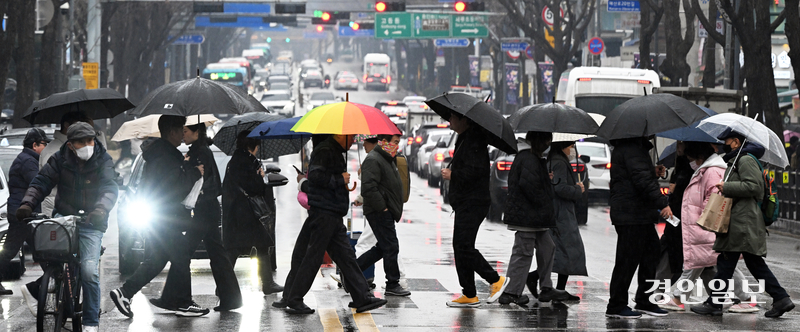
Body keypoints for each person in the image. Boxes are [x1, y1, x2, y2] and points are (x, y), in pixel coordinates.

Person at [16, 122, 118, 332]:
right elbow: (41, 182)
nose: (88, 145)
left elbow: (109, 187)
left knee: (89, 270)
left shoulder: (103, 158)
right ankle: (47, 286)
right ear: (71, 144)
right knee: (54, 256)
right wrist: (27, 204)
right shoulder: (59, 158)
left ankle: (91, 323)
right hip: (65, 216)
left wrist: (100, 210)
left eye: (90, 140)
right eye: (81, 142)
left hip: (93, 220)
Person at [110, 115, 210, 318]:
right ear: (171, 131)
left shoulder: (161, 154)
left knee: (157, 259)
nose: (183, 133)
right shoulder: (166, 157)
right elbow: (175, 186)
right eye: (180, 129)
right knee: (181, 257)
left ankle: (124, 293)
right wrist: (194, 173)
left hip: (159, 215)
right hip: (166, 216)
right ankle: (182, 302)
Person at [273, 134, 386, 314]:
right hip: (325, 212)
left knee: (346, 257)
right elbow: (317, 177)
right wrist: (340, 180)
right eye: (352, 137)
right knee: (313, 257)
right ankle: (294, 298)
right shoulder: (325, 150)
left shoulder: (334, 150)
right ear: (341, 135)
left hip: (332, 212)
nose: (354, 140)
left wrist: (342, 182)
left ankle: (361, 297)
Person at [690, 132, 795, 318]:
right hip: (740, 219)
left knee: (728, 260)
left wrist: (727, 187)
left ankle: (715, 303)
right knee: (744, 262)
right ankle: (780, 298)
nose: (723, 145)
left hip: (742, 220)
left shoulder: (745, 160)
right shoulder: (737, 159)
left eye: (727, 141)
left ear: (736, 142)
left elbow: (754, 187)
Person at [660, 141, 756, 313]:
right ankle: (681, 298)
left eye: (691, 158)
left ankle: (746, 298)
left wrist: (702, 220)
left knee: (701, 262)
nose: (690, 162)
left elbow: (714, 198)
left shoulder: (711, 171)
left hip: (705, 225)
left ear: (700, 157)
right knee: (706, 262)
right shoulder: (707, 169)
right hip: (702, 225)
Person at [158, 123, 243, 311]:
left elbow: (199, 179)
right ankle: (231, 299)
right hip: (208, 208)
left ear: (197, 132)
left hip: (204, 209)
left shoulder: (201, 152)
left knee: (183, 252)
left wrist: (186, 164)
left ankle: (173, 298)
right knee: (216, 255)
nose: (183, 134)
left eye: (186, 131)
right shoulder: (199, 149)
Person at [441, 111, 508, 307]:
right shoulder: (465, 138)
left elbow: (475, 172)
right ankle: (469, 293)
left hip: (473, 202)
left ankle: (495, 280)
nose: (449, 120)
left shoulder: (474, 141)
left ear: (465, 120)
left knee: (464, 247)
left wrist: (453, 175)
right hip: (465, 202)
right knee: (460, 247)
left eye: (452, 117)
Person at [497, 132, 568, 306]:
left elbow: (533, 181)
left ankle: (546, 287)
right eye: (547, 140)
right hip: (527, 216)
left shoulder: (532, 157)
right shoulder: (528, 158)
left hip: (534, 217)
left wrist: (545, 178)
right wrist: (544, 200)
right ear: (538, 141)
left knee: (547, 247)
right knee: (523, 253)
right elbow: (529, 186)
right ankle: (510, 292)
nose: (549, 144)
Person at [605, 136, 671, 319]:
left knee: (651, 253)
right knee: (627, 261)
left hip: (639, 213)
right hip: (631, 213)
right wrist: (662, 202)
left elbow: (637, 174)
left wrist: (652, 171)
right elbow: (642, 181)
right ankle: (616, 305)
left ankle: (644, 299)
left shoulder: (633, 149)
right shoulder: (632, 149)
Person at [222, 131, 283, 295]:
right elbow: (254, 188)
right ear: (253, 146)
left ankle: (267, 283)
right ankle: (224, 285)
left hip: (241, 213)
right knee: (237, 249)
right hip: (245, 214)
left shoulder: (238, 161)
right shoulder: (243, 162)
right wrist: (261, 178)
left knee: (255, 246)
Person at [526, 140, 587, 302]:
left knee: (561, 251)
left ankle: (558, 289)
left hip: (559, 211)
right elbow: (559, 188)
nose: (573, 149)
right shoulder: (559, 162)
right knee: (566, 250)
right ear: (563, 147)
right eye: (571, 146)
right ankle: (536, 278)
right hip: (561, 213)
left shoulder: (555, 160)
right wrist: (577, 189)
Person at [355, 133, 410, 296]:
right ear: (384, 142)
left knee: (384, 247)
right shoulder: (374, 158)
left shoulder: (387, 157)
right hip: (379, 211)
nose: (397, 146)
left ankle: (352, 271)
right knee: (391, 246)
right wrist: (383, 208)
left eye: (398, 143)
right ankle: (392, 284)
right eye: (394, 142)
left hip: (385, 209)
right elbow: (369, 187)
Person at [0, 129, 50, 296]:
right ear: (35, 145)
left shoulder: (27, 159)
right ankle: (52, 277)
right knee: (15, 249)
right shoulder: (28, 161)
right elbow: (37, 183)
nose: (46, 147)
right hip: (22, 213)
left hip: (23, 212)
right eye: (44, 144)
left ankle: (51, 277)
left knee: (37, 248)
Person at [39, 112, 93, 217]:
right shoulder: (54, 151)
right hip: (55, 209)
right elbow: (49, 180)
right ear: (67, 126)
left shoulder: (74, 147)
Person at [656, 142, 690, 285]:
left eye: (682, 144)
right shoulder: (680, 164)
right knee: (668, 253)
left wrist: (678, 188)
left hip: (685, 219)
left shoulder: (693, 168)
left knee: (705, 264)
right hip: (676, 219)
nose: (678, 146)